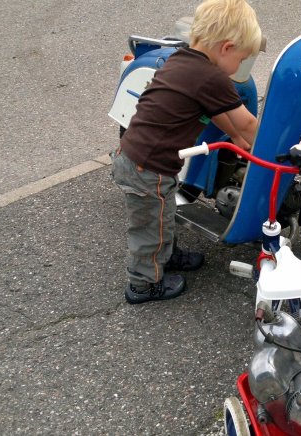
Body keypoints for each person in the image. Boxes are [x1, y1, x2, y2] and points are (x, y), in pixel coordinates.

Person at [111, 0, 262, 304]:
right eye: (243, 59)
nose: (241, 67)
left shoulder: (185, 61)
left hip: (147, 161)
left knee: (162, 215)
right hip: (146, 166)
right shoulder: (212, 76)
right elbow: (248, 123)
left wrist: (232, 135)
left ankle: (166, 255)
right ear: (226, 48)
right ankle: (143, 285)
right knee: (149, 225)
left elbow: (216, 111)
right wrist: (277, 148)